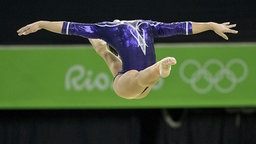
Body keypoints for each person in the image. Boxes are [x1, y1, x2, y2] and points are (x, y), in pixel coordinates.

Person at [17, 20, 238, 99]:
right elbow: (183, 27)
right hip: (131, 83)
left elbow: (183, 27)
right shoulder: (145, 26)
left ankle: (157, 69)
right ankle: (159, 69)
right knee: (130, 72)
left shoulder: (123, 27)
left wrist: (42, 23)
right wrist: (210, 25)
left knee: (115, 62)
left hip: (131, 82)